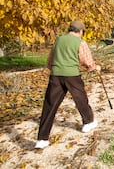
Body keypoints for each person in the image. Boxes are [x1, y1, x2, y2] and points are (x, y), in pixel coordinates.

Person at [35, 20, 101, 149]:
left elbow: (50, 59)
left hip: (56, 75)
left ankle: (42, 139)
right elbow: (86, 60)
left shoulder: (58, 40)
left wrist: (53, 68)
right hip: (72, 75)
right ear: (81, 31)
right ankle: (88, 122)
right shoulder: (80, 42)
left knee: (49, 105)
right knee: (80, 98)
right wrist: (94, 67)